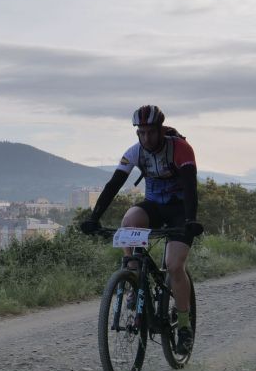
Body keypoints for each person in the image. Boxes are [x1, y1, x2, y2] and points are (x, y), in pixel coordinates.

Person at [80, 105, 201, 355]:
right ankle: (133, 274)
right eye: (141, 133)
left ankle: (184, 327)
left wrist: (190, 220)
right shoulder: (134, 152)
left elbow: (190, 187)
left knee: (174, 266)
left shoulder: (180, 148)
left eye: (151, 132)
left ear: (161, 130)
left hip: (180, 210)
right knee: (130, 219)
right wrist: (94, 217)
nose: (146, 138)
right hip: (154, 206)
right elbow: (113, 184)